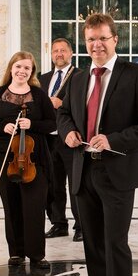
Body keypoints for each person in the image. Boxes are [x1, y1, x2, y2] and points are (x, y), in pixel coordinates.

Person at [57, 13, 138, 276]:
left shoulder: (135, 74)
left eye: (102, 38)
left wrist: (113, 139)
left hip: (116, 172)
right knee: (93, 248)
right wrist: (69, 132)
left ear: (115, 39)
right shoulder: (76, 77)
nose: (96, 45)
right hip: (83, 170)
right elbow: (63, 114)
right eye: (90, 40)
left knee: (115, 246)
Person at [0, 51, 56, 269]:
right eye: (18, 67)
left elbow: (52, 124)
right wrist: (2, 127)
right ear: (11, 68)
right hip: (2, 155)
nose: (22, 71)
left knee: (34, 205)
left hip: (33, 156)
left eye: (27, 68)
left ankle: (37, 255)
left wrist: (32, 125)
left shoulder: (39, 95)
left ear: (32, 72)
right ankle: (16, 253)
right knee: (11, 205)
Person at [38, 38, 82, 242]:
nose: (59, 54)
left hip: (71, 137)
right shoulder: (42, 78)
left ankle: (81, 225)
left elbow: (85, 105)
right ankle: (58, 223)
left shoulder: (81, 76)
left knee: (76, 185)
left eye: (63, 50)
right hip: (48, 139)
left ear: (71, 53)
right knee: (53, 183)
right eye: (55, 51)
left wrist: (62, 102)